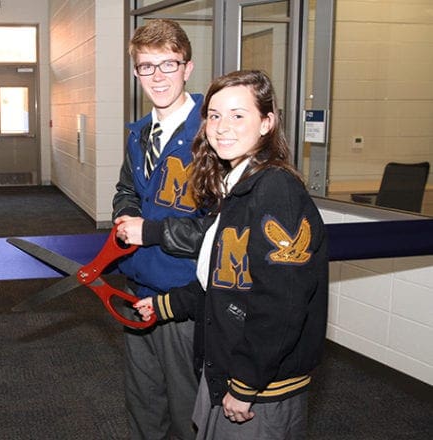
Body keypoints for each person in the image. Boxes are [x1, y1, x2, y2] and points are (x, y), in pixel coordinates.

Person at [118, 70, 329, 440]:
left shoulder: (275, 190)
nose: (222, 127)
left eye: (237, 115)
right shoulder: (236, 188)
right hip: (231, 369)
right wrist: (165, 306)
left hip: (263, 388)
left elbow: (282, 305)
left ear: (267, 122)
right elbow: (224, 282)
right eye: (214, 116)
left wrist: (246, 384)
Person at [112, 18, 204, 440]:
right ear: (135, 73)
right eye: (147, 67)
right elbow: (127, 189)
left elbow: (218, 232)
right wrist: (124, 217)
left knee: (187, 407)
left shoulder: (212, 133)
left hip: (185, 297)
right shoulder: (139, 133)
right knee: (143, 401)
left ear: (187, 67)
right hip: (137, 289)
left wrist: (148, 231)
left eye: (168, 64)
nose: (158, 77)